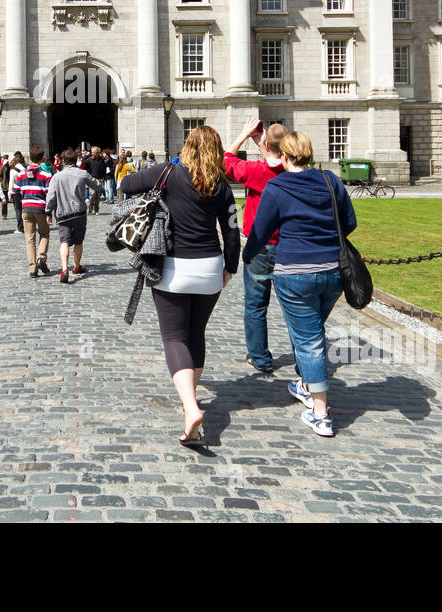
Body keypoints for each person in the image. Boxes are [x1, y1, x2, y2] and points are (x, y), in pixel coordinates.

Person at [119, 126, 241, 446]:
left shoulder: (168, 173)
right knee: (195, 333)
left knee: (174, 337)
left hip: (173, 268)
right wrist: (230, 267)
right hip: (210, 268)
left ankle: (190, 406)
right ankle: (191, 399)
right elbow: (231, 232)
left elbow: (125, 183)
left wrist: (149, 180)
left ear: (187, 147)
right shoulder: (222, 186)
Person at [242, 132, 357, 438]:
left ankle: (320, 412)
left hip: (295, 273)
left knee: (309, 341)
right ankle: (306, 383)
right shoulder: (331, 181)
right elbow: (349, 223)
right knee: (313, 332)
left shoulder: (277, 186)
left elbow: (261, 231)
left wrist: (247, 255)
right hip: (333, 272)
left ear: (283, 156)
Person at [224, 117, 289, 375]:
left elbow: (226, 160)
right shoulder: (295, 172)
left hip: (260, 247)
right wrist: (264, 146)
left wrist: (243, 134)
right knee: (294, 308)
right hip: (290, 247)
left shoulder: (256, 172)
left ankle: (260, 358)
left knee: (256, 305)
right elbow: (276, 163)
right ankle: (303, 355)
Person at [45, 148, 98, 282]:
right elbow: (97, 186)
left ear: (63, 161)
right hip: (79, 213)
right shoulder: (82, 173)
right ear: (76, 161)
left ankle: (64, 270)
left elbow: (51, 197)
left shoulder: (57, 176)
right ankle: (76, 266)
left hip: (63, 214)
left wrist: (48, 212)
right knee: (78, 242)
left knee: (64, 241)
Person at [15, 147, 54, 277]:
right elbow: (49, 194)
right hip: (40, 208)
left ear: (30, 158)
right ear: (42, 157)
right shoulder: (46, 174)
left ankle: (32, 268)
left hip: (26, 208)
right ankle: (41, 258)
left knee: (30, 239)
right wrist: (49, 212)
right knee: (44, 234)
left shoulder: (21, 174)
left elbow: (15, 189)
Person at [85, 146, 108, 214]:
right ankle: (90, 209)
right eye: (92, 152)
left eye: (94, 152)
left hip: (99, 180)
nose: (92, 153)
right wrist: (87, 181)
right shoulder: (89, 160)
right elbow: (86, 171)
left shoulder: (101, 160)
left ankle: (96, 210)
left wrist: (103, 178)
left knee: (98, 196)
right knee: (92, 195)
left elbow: (104, 170)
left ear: (98, 153)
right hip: (92, 180)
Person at [7, 151, 27, 226]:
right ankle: (25, 225)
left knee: (18, 210)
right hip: (25, 191)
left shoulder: (13, 171)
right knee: (25, 210)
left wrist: (9, 194)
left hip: (16, 192)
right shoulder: (25, 168)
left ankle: (20, 227)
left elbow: (11, 184)